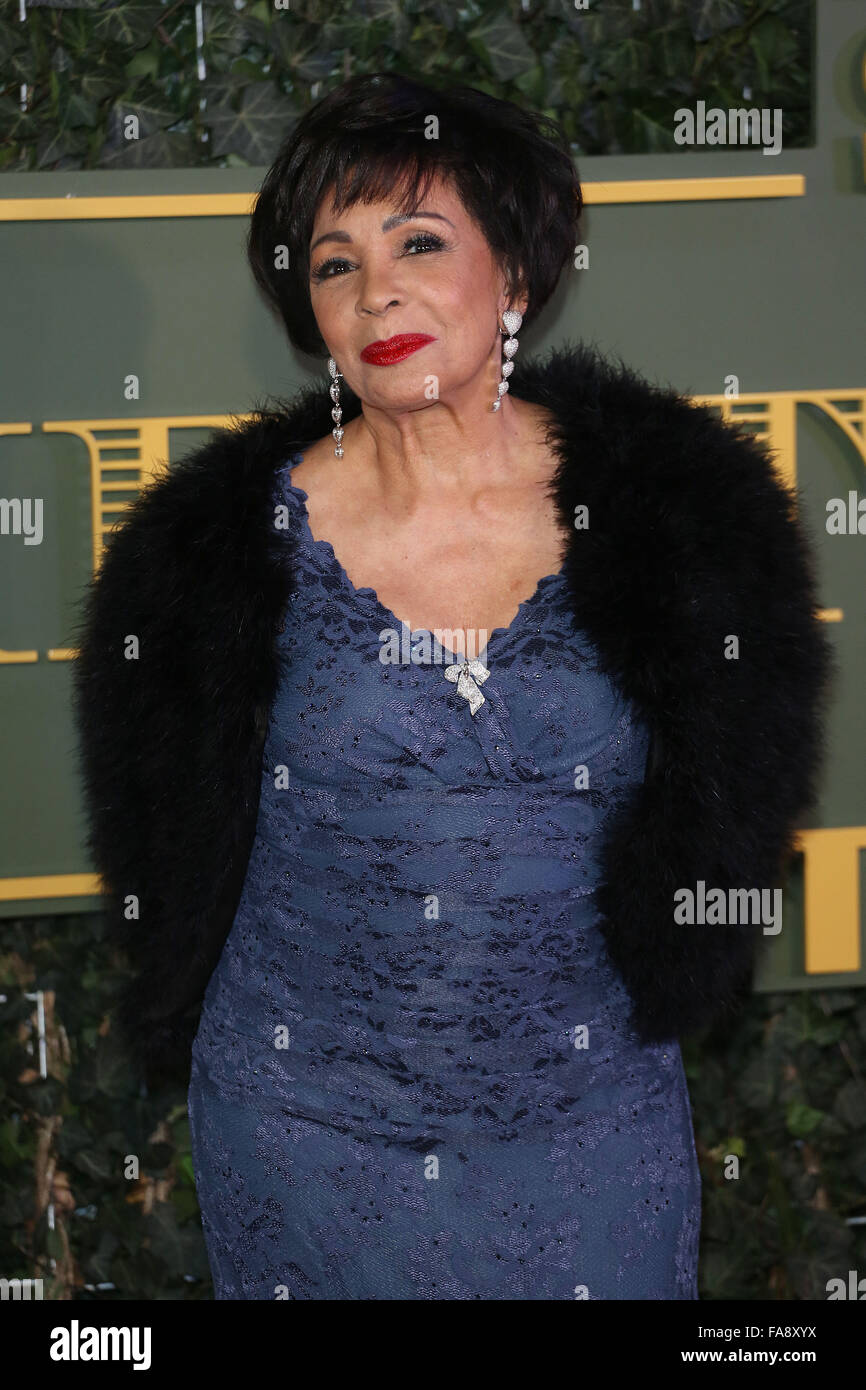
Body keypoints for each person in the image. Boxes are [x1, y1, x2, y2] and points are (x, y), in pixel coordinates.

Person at [71, 72, 834, 1300]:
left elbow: (733, 800)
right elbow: (162, 842)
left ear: (516, 274)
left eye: (419, 241)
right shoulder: (202, 556)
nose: (377, 292)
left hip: (590, 1130)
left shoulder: (681, 515)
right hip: (306, 1141)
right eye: (334, 264)